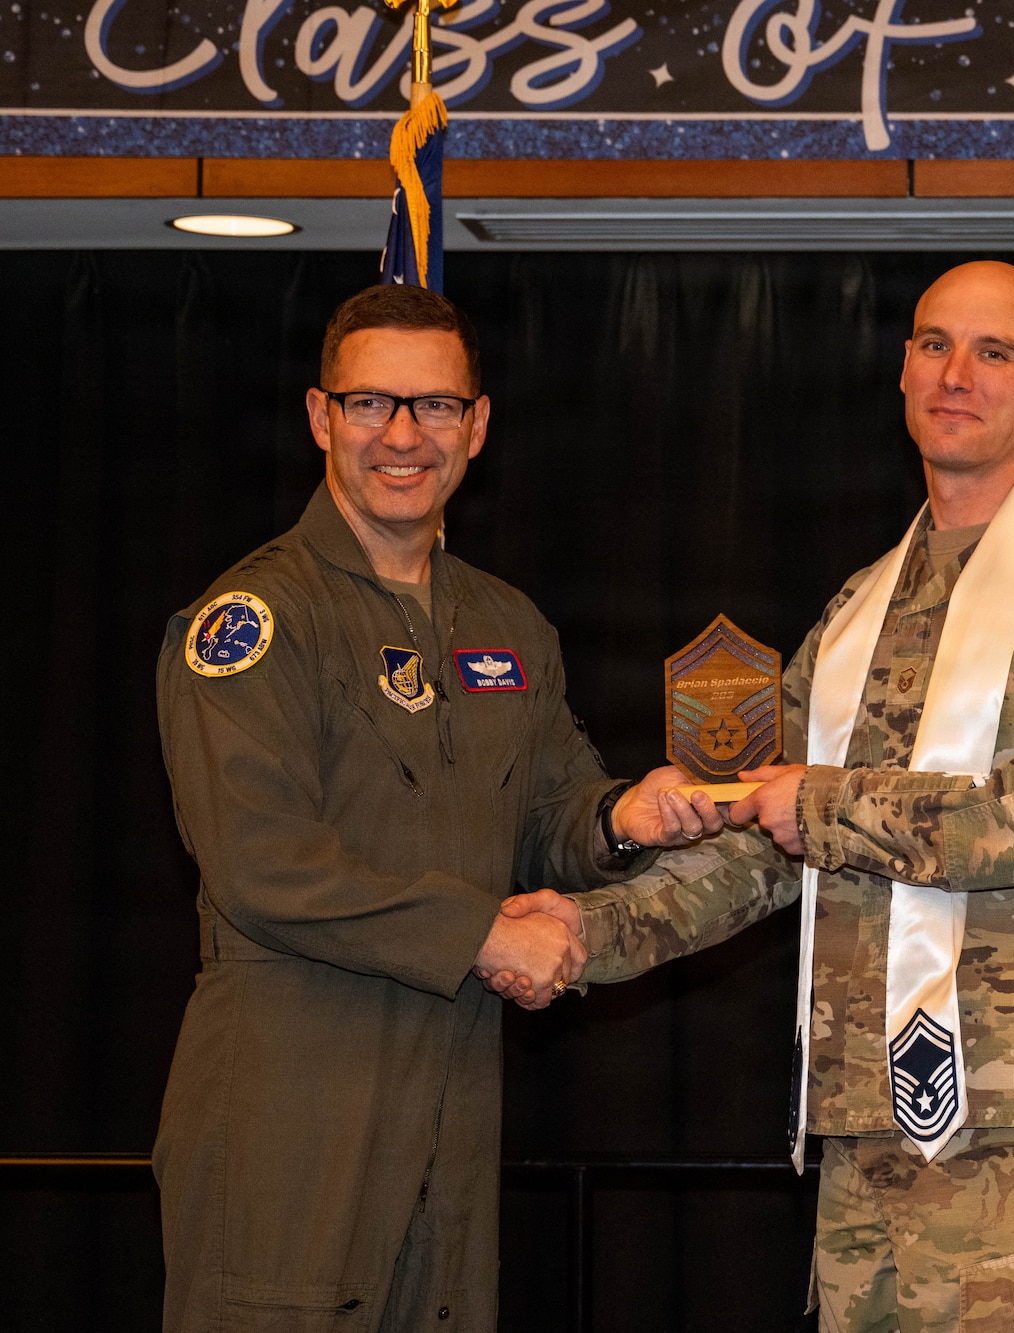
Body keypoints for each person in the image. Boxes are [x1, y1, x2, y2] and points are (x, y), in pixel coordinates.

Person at [562, 261, 1014, 1331]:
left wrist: (817, 803)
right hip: (865, 1123)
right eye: (931, 344)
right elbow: (760, 838)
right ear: (900, 369)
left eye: (993, 352)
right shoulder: (863, 603)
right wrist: (583, 936)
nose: (954, 374)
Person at [153, 284, 732, 1332]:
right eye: (373, 404)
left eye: (434, 407)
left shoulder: (505, 624)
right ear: (322, 416)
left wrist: (623, 820)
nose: (403, 437)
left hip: (454, 1105)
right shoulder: (253, 621)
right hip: (294, 1106)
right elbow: (262, 864)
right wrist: (481, 933)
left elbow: (554, 806)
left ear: (477, 426)